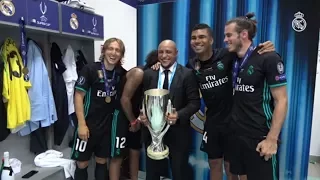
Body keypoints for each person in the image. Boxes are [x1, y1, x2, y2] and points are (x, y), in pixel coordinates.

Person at [151, 23, 275, 180]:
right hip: (212, 123)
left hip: (234, 122)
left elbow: (249, 53)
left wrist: (265, 47)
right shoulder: (192, 65)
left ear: (210, 40)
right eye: (194, 38)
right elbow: (177, 74)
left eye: (202, 37)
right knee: (214, 164)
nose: (197, 41)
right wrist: (158, 64)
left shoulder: (226, 55)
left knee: (232, 168)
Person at [224, 13, 288, 180]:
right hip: (237, 134)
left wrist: (272, 139)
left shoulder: (269, 58)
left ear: (243, 34)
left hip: (260, 137)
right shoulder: (232, 59)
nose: (225, 39)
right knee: (241, 176)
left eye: (229, 35)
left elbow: (281, 100)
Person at [139, 40, 201, 180]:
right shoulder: (149, 74)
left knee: (178, 171)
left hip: (177, 132)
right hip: (152, 133)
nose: (164, 55)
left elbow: (195, 103)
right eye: (161, 52)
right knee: (152, 173)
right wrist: (142, 115)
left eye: (168, 52)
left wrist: (178, 115)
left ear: (176, 54)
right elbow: (143, 101)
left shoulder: (187, 74)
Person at [71, 38, 127, 180]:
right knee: (82, 163)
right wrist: (82, 124)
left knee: (102, 162)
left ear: (121, 55)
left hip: (107, 128)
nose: (113, 53)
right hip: (88, 126)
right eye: (110, 49)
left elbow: (139, 75)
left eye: (117, 50)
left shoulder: (121, 73)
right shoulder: (90, 69)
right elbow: (78, 96)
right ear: (104, 50)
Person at [120, 49, 159, 180]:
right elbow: (124, 99)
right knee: (123, 150)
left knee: (135, 147)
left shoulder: (155, 75)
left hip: (136, 112)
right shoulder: (139, 73)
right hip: (122, 112)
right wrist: (132, 121)